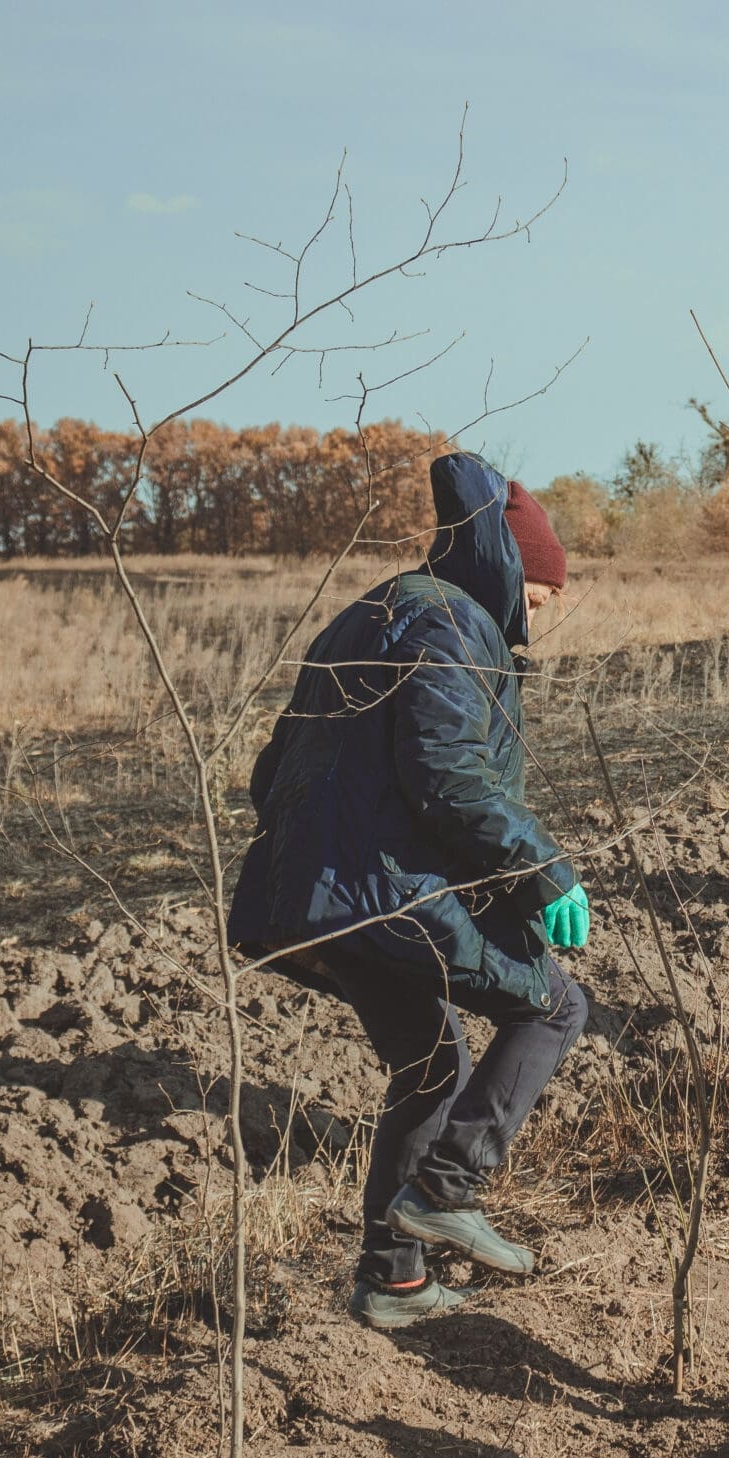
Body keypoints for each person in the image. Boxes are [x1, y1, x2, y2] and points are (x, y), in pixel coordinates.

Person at [229, 453, 591, 1331]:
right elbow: (450, 775)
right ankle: (446, 1191)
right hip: (380, 894)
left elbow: (270, 771)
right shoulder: (455, 625)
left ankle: (391, 1281)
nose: (532, 622)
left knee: (430, 1065)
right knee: (553, 1007)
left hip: (306, 896)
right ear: (511, 569)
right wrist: (544, 872)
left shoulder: (369, 613)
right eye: (537, 600)